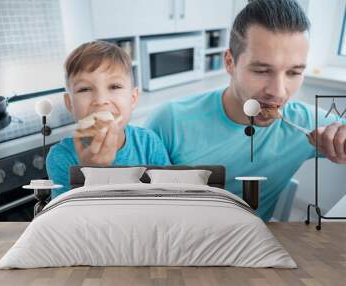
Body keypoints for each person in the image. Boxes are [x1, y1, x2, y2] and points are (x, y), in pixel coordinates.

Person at [146, 0, 346, 221]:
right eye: (262, 71)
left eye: (293, 73)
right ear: (230, 62)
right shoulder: (169, 122)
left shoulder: (306, 123)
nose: (278, 92)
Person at [47, 41, 170, 198]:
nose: (100, 100)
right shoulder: (61, 158)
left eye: (114, 86)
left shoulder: (148, 143)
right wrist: (93, 172)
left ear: (132, 98)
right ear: (70, 104)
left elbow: (169, 197)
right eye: (84, 89)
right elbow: (69, 219)